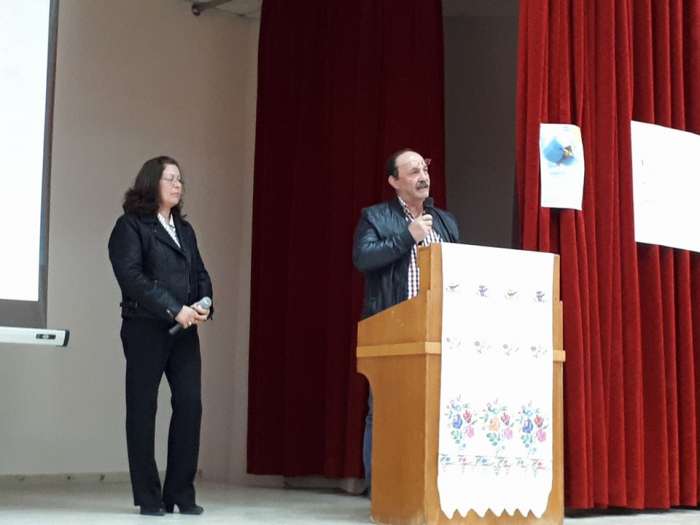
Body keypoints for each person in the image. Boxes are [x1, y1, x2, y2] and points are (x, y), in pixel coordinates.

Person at [108, 156, 213, 516]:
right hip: (145, 328)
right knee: (143, 409)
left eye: (180, 179)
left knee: (190, 404)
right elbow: (132, 277)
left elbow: (200, 273)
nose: (177, 185)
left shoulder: (185, 230)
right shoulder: (130, 226)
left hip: (184, 330)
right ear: (151, 182)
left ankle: (180, 492)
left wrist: (204, 303)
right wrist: (173, 308)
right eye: (170, 178)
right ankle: (149, 496)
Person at [352, 148, 460, 495]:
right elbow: (363, 258)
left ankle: (424, 487)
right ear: (394, 181)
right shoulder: (375, 217)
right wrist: (406, 236)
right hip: (391, 326)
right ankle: (381, 489)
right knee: (385, 409)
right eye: (412, 171)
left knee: (430, 409)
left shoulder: (444, 221)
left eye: (424, 169)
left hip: (436, 329)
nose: (422, 176)